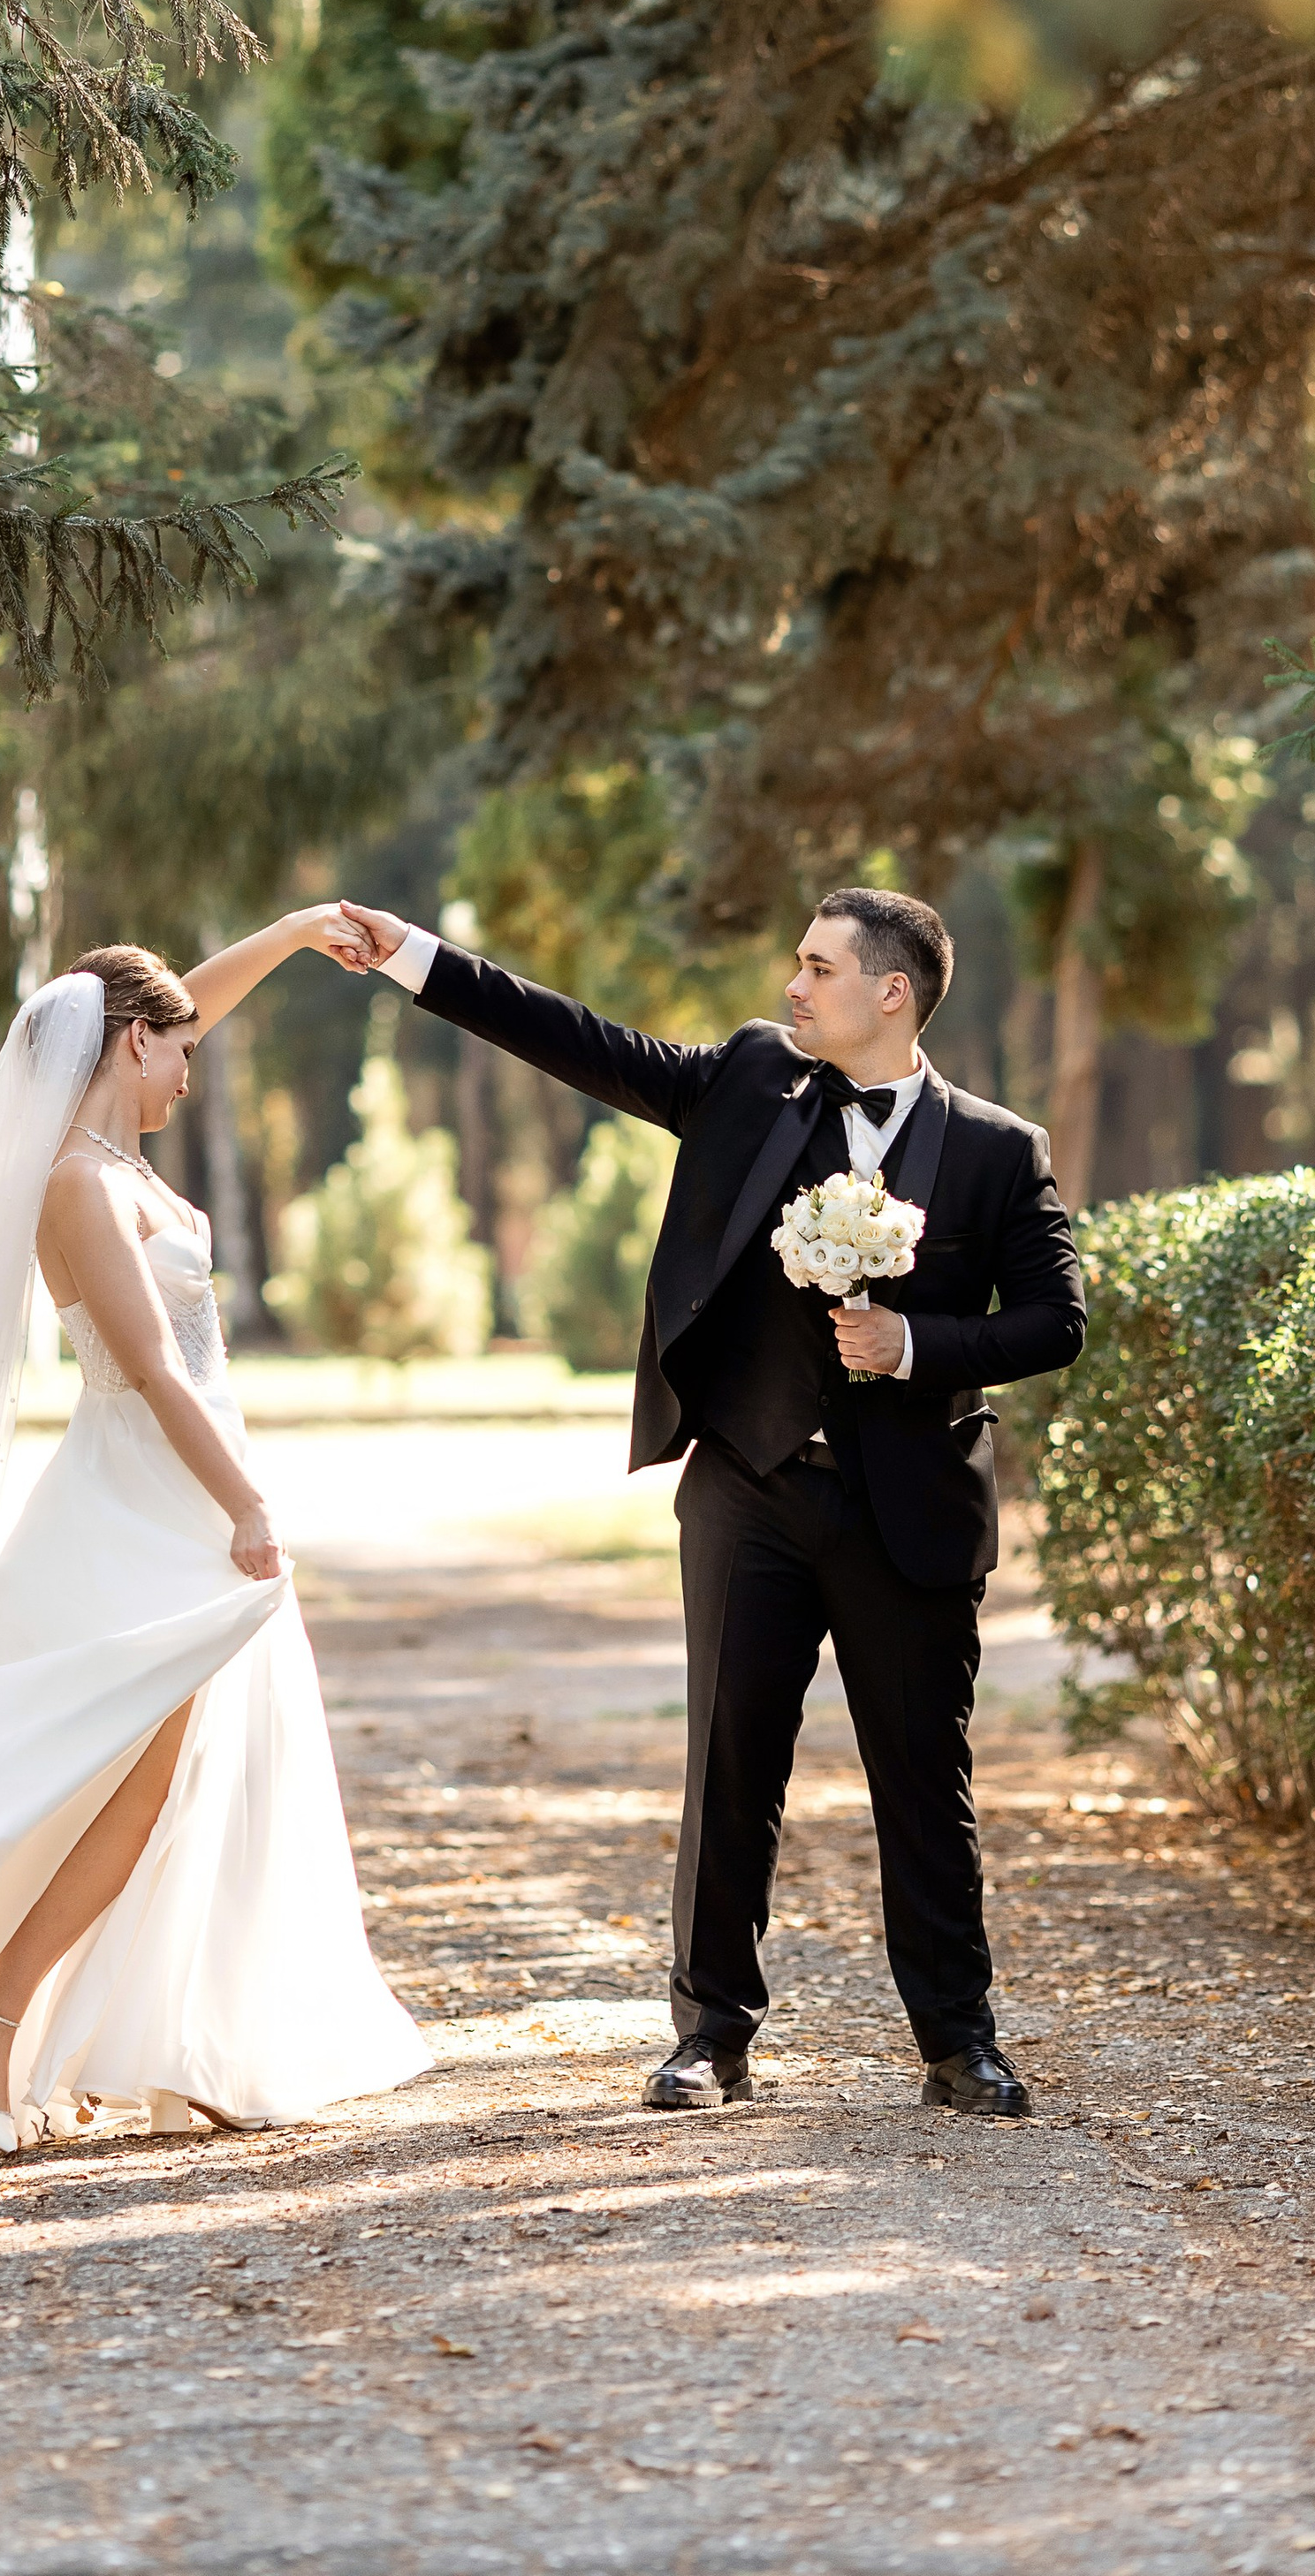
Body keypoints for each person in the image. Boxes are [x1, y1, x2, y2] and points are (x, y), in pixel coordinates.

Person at [334, 887, 1085, 2118]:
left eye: (820, 967)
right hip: (751, 1490)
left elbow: (1057, 1320)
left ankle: (960, 2043)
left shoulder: (1001, 1148)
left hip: (914, 1516)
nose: (794, 985)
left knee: (923, 1782)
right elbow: (577, 1037)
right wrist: (412, 957)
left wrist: (915, 1344)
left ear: (891, 993)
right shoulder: (750, 1080)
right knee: (731, 1768)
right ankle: (710, 2038)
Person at [0, 917, 428, 2161]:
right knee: (114, 1774)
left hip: (183, 1494)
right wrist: (249, 1506)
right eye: (177, 1053)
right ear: (131, 1043)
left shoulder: (121, 1158)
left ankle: (112, 2033)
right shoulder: (76, 1181)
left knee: (179, 1780)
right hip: (141, 1501)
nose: (192, 1071)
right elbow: (155, 1371)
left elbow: (180, 1010)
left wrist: (304, 934)